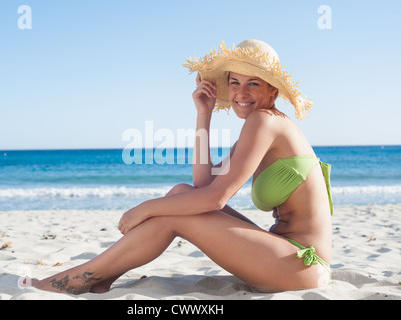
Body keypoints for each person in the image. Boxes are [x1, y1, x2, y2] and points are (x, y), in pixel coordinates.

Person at [29, 39, 333, 294]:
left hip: (303, 266)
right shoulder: (264, 126)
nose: (241, 93)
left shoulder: (264, 121)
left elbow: (215, 199)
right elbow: (201, 186)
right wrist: (204, 114)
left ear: (271, 92)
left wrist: (147, 208)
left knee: (172, 213)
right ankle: (100, 276)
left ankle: (81, 277)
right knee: (180, 193)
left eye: (253, 83)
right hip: (284, 254)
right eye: (235, 82)